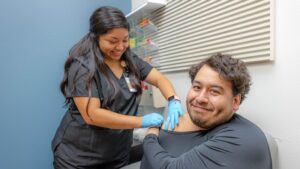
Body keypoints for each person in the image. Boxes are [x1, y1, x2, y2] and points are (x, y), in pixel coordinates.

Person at [51, 6, 183, 169]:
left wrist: (173, 99)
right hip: (79, 157)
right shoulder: (83, 67)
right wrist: (141, 121)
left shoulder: (129, 60)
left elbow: (159, 78)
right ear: (96, 37)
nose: (120, 47)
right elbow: (92, 115)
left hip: (116, 154)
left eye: (125, 40)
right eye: (113, 41)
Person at [141, 53, 272, 169]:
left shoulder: (243, 139)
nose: (200, 98)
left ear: (235, 102)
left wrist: (150, 136)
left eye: (214, 91)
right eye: (197, 87)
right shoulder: (198, 121)